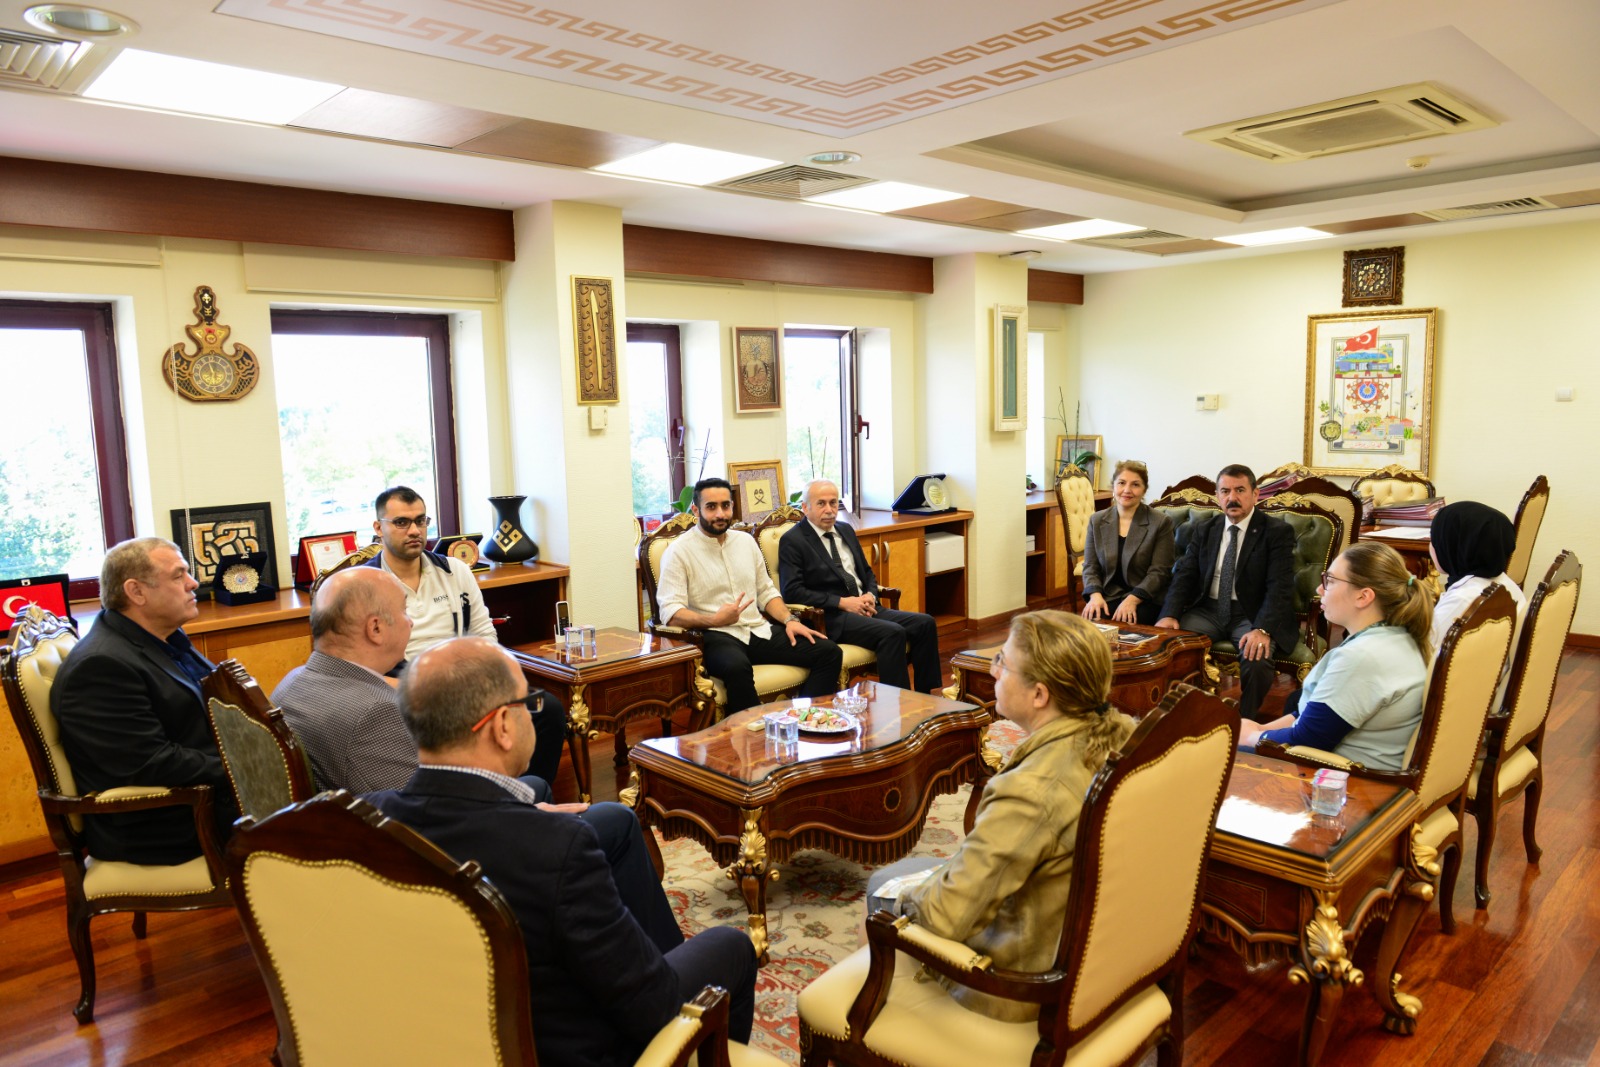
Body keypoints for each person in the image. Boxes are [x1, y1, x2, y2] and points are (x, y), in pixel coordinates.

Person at [368, 637, 756, 1067]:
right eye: (529, 703)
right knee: (732, 946)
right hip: (573, 1049)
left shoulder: (366, 821)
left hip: (447, 1037)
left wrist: (519, 810)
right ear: (502, 726)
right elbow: (654, 1006)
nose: (533, 714)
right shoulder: (557, 848)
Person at [862, 610, 1135, 1021]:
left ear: (1040, 694)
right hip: (1096, 950)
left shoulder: (1031, 791)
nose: (993, 671)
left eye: (1002, 662)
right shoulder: (1125, 733)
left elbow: (945, 917)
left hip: (1021, 981)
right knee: (920, 873)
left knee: (883, 888)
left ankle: (892, 1026)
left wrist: (903, 901)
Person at [51, 537, 237, 864]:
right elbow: (150, 763)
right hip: (168, 825)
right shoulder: (100, 666)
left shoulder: (163, 637)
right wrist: (243, 767)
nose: (193, 583)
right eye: (178, 575)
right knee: (319, 825)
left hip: (204, 797)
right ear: (136, 592)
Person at [363, 484, 565, 783]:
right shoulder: (366, 585)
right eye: (402, 522)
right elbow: (358, 667)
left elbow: (485, 635)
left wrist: (482, 679)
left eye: (420, 521)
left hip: (462, 680)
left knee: (547, 709)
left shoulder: (454, 570)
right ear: (379, 528)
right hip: (404, 689)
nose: (414, 530)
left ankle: (526, 797)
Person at [1239, 542, 1434, 772]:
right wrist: (1261, 729)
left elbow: (1307, 739)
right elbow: (1314, 715)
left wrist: (1252, 737)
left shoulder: (1362, 657)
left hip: (1351, 780)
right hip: (1354, 767)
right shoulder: (1397, 636)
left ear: (1363, 596)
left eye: (1329, 581)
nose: (1319, 590)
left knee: (1214, 754)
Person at [656, 476, 842, 714]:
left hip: (757, 630)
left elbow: (766, 591)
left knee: (829, 652)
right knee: (737, 667)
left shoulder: (746, 542)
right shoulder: (679, 551)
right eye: (711, 507)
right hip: (714, 635)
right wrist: (714, 620)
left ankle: (801, 719)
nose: (720, 513)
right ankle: (752, 732)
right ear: (696, 510)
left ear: (732, 506)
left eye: (725, 505)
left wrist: (789, 620)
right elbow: (670, 613)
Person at [1157, 464, 1296, 720]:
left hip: (1251, 613)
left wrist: (1262, 629)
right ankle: (1179, 715)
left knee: (1257, 658)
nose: (1232, 498)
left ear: (1255, 494)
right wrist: (1169, 614)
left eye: (1240, 490)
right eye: (1225, 491)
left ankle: (1243, 721)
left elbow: (1280, 586)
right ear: (1217, 496)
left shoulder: (1276, 532)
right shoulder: (1205, 529)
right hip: (1207, 611)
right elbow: (1185, 575)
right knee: (1166, 644)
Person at [778, 479, 942, 692]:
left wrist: (870, 595)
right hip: (833, 617)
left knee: (925, 623)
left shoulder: (845, 529)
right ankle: (898, 703)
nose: (829, 510)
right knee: (893, 633)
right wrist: (842, 602)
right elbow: (792, 591)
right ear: (805, 507)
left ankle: (926, 696)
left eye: (833, 502)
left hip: (865, 607)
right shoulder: (793, 540)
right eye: (821, 504)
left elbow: (867, 572)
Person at [1428, 501, 1528, 704]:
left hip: (1455, 702)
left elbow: (1424, 655)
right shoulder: (1506, 584)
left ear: (1455, 546)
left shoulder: (1464, 600)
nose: (1431, 546)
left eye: (1434, 539)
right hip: (1486, 691)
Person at [1080, 459, 1175, 626]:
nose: (1127, 490)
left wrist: (1132, 600)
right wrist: (1095, 596)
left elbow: (1159, 572)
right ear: (1113, 486)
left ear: (1144, 490)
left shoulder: (1160, 522)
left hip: (1145, 597)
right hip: (1108, 594)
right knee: (1091, 621)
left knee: (1130, 621)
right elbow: (1090, 566)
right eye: (1122, 483)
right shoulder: (1097, 520)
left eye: (1135, 485)